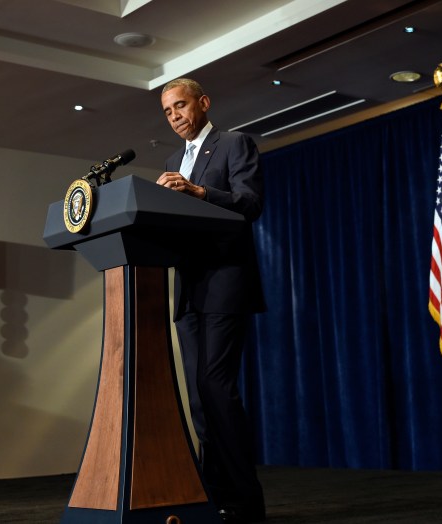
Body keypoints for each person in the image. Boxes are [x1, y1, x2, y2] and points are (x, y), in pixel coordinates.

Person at [156, 78, 266, 524]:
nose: (175, 115)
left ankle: (245, 501)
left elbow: (249, 202)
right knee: (199, 398)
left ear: (202, 103)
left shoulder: (233, 143)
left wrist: (198, 192)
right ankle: (214, 497)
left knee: (217, 388)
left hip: (224, 282)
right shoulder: (169, 161)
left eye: (180, 105)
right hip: (189, 289)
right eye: (167, 111)